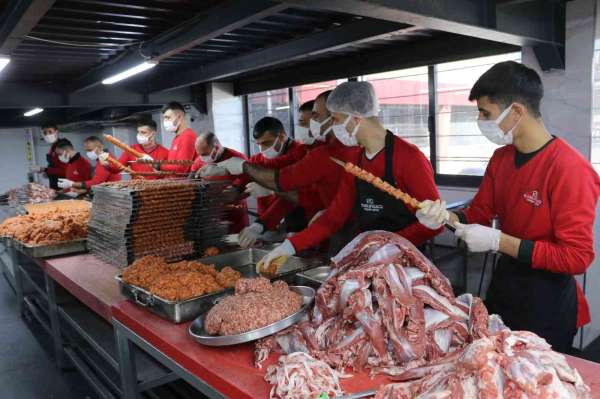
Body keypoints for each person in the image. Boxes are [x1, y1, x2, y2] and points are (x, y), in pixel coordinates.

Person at [416, 61, 600, 353]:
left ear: (516, 111)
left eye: (486, 114)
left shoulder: (569, 168)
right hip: (505, 286)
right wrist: (443, 217)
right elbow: (477, 214)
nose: (480, 122)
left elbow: (576, 257)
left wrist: (498, 240)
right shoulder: (501, 159)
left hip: (547, 300)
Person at [256, 81, 442, 269]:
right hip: (369, 259)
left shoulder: (409, 158)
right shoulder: (355, 161)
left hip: (407, 263)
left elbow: (436, 223)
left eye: (336, 119)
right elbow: (334, 217)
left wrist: (390, 246)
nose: (334, 127)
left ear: (355, 118)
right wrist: (290, 246)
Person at [191, 132, 249, 233]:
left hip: (235, 216)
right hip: (212, 217)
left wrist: (233, 193)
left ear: (216, 147)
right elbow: (191, 181)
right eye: (199, 155)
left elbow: (249, 186)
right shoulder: (199, 161)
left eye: (204, 154)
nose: (202, 158)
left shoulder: (237, 159)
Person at [160, 102, 197, 175]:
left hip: (186, 185)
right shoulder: (177, 137)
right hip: (176, 183)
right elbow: (173, 164)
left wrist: (160, 166)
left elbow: (182, 168)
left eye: (168, 118)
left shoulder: (188, 136)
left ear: (179, 117)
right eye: (164, 119)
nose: (165, 122)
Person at [30, 123, 68, 189]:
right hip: (55, 182)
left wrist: (44, 169)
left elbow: (64, 170)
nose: (47, 135)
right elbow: (54, 164)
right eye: (45, 133)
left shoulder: (63, 146)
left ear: (56, 132)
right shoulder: (53, 146)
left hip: (63, 184)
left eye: (50, 132)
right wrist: (47, 173)